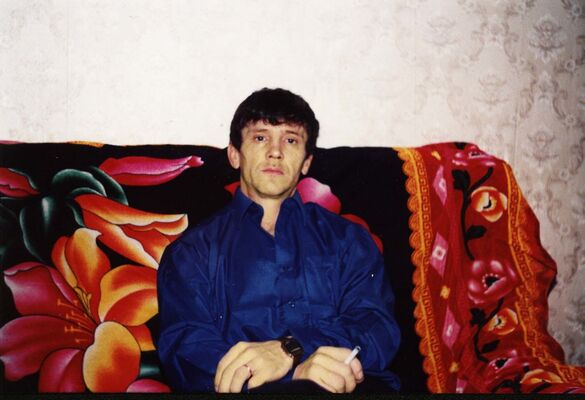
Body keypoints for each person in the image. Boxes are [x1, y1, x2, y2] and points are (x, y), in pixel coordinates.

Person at [156, 88, 401, 393]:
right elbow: (187, 350)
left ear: (306, 162)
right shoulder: (191, 253)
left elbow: (376, 327)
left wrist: (291, 349)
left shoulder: (349, 240)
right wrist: (290, 376)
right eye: (260, 137)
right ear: (235, 155)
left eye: (291, 140)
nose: (275, 152)